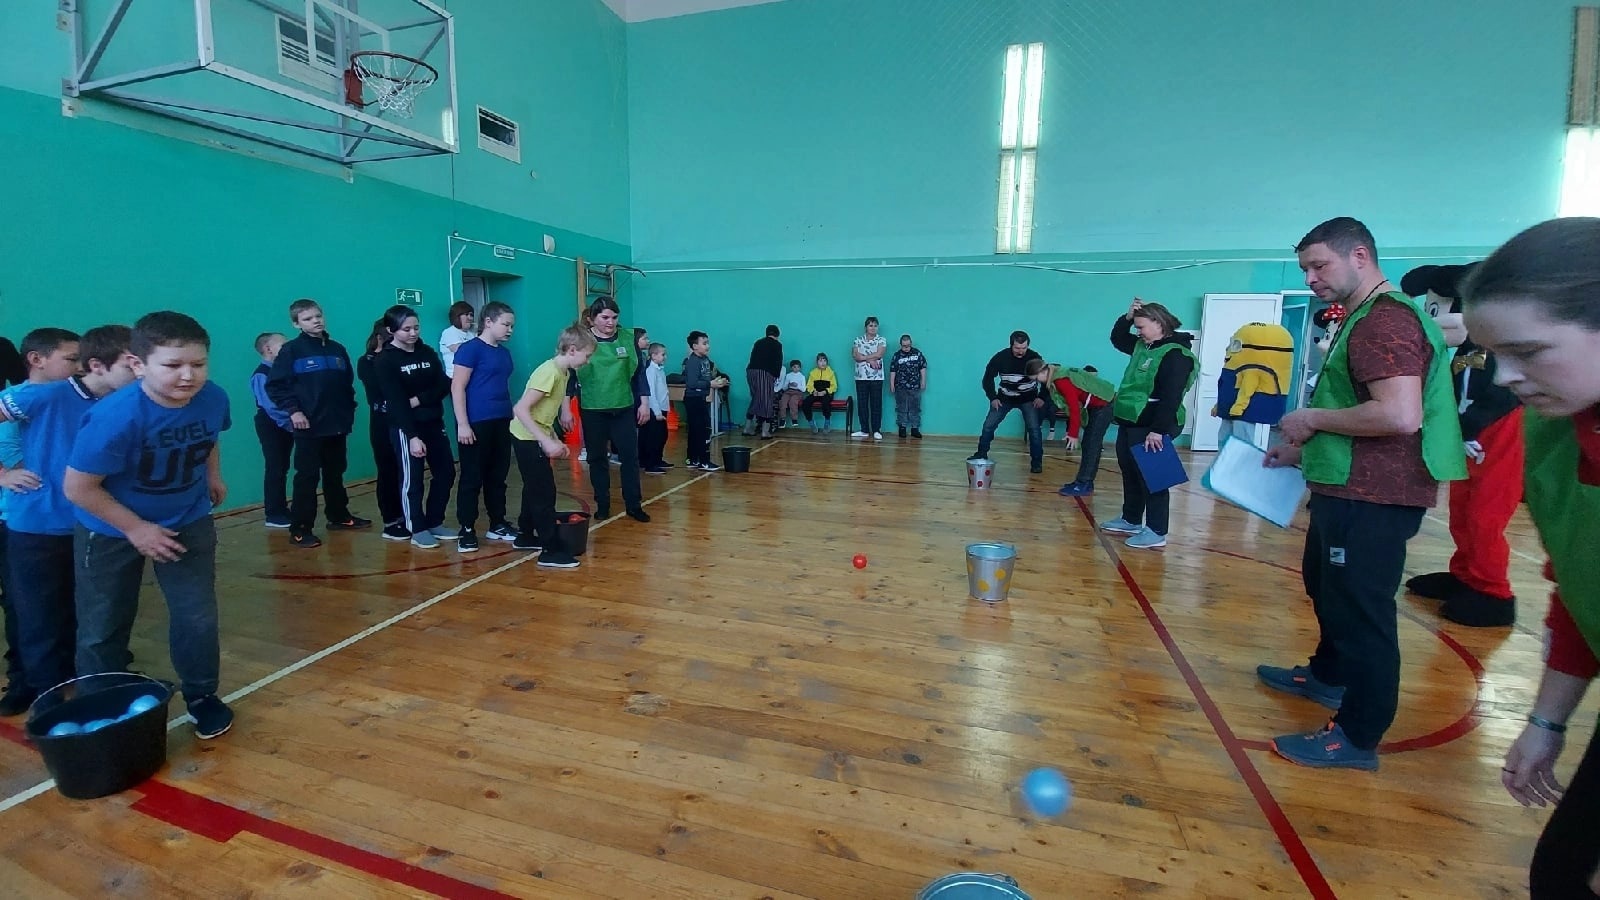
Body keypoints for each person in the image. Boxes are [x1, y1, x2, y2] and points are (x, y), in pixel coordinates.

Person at [1258, 217, 1465, 771]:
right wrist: (1303, 452)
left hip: (1374, 497)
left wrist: (1309, 419)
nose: (1310, 278)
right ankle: (1328, 675)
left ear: (1360, 257)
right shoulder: (1363, 317)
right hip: (1350, 485)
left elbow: (1398, 414)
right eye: (1305, 269)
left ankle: (1356, 735)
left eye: (1319, 266)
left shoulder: (1384, 321)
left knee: (1360, 611)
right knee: (1326, 586)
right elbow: (1363, 411)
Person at [1460, 217, 1600, 897]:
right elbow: (1579, 587)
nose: (1507, 377)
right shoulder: (1552, 433)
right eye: (1494, 355)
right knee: (1559, 875)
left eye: (1530, 352)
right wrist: (1547, 721)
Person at [63, 312, 235, 739]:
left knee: (196, 617)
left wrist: (212, 475)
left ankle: (202, 697)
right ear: (138, 365)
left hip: (187, 520)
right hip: (110, 529)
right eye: (173, 365)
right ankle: (102, 710)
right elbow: (79, 488)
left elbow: (210, 435)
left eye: (198, 364)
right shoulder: (115, 417)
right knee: (103, 625)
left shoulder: (213, 397)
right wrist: (137, 529)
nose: (188, 375)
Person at [0, 325, 137, 715]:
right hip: (39, 526)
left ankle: (93, 678)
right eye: (131, 363)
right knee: (38, 615)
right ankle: (45, 692)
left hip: (96, 524)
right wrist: (2, 475)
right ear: (100, 365)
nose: (139, 370)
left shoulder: (125, 402)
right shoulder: (42, 395)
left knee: (92, 611)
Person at [1401, 263, 1523, 628]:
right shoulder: (1467, 351)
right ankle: (1466, 575)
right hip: (1470, 441)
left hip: (1498, 437)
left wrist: (1469, 427)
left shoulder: (1502, 347)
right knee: (1462, 509)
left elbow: (1502, 395)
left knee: (1486, 516)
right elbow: (1458, 391)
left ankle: (1493, 592)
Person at [0, 329, 74, 716]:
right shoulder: (24, 397)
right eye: (72, 359)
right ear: (37, 360)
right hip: (21, 520)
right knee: (25, 606)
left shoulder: (67, 395)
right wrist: (3, 475)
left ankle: (68, 673)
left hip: (59, 519)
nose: (79, 367)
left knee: (67, 601)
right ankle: (28, 683)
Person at [266, 298, 371, 549]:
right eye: (308, 318)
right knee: (307, 477)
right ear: (296, 324)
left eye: (318, 316)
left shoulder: (337, 349)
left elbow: (346, 384)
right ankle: (300, 529)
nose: (316, 321)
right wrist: (294, 412)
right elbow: (276, 386)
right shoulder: (291, 351)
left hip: (336, 424)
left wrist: (348, 411)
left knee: (335, 473)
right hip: (308, 427)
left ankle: (338, 516)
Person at [1097, 301, 1198, 549]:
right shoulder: (1143, 346)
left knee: (1154, 476)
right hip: (1132, 420)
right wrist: (1127, 317)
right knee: (1130, 470)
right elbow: (1118, 338)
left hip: (1155, 423)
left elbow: (1171, 396)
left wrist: (1158, 430)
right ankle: (1131, 519)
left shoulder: (1176, 355)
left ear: (1158, 323)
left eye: (1141, 326)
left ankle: (1156, 530)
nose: (1138, 331)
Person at [508, 325, 592, 569]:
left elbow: (543, 413)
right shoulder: (549, 373)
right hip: (526, 439)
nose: (587, 361)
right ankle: (549, 550)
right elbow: (521, 409)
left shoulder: (564, 373)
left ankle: (525, 535)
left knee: (533, 488)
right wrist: (544, 441)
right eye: (586, 355)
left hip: (535, 436)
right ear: (572, 350)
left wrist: (553, 437)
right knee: (544, 493)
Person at [375, 306, 455, 550]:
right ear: (391, 330)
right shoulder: (385, 360)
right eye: (406, 329)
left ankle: (434, 521)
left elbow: (443, 385)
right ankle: (417, 528)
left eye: (416, 328)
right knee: (413, 479)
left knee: (446, 472)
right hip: (407, 428)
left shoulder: (426, 352)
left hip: (433, 422)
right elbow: (396, 401)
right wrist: (412, 436)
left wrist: (419, 399)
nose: (413, 333)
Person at [576, 298, 651, 521]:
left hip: (623, 407)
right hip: (593, 408)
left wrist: (644, 402)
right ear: (592, 319)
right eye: (605, 317)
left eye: (614, 317)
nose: (610, 322)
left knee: (630, 457)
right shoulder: (581, 340)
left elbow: (639, 373)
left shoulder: (628, 338)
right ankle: (603, 504)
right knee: (597, 458)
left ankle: (634, 505)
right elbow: (569, 374)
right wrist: (565, 408)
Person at [450, 301, 517, 551]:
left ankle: (497, 523)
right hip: (476, 422)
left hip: (502, 420)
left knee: (497, 476)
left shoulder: (504, 353)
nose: (510, 330)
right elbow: (457, 387)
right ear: (488, 322)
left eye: (512, 326)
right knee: (472, 477)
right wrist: (463, 424)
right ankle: (466, 529)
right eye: (506, 324)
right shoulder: (470, 350)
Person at [969, 331, 1045, 473]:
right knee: (988, 426)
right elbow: (987, 379)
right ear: (1011, 345)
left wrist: (1042, 397)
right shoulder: (1000, 357)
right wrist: (993, 397)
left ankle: (1036, 462)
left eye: (1024, 348)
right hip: (1005, 398)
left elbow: (1046, 379)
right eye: (1017, 348)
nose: (1021, 351)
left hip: (1029, 399)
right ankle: (981, 454)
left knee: (1034, 430)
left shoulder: (1035, 358)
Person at [356, 319, 404, 534]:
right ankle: (391, 519)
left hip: (404, 419)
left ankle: (408, 514)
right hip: (382, 421)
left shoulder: (401, 357)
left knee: (405, 470)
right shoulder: (367, 362)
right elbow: (383, 388)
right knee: (387, 469)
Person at [1215, 322, 1295, 445]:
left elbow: (1247, 389)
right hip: (1232, 410)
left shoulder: (1250, 370)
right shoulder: (1238, 367)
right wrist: (1219, 406)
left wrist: (1238, 408)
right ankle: (1225, 456)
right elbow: (1228, 390)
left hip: (1242, 412)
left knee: (1240, 438)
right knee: (1226, 436)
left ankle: (1237, 457)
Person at [249, 332, 294, 529]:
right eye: (282, 345)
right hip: (271, 424)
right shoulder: (262, 374)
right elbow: (272, 407)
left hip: (284, 424)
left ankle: (282, 508)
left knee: (282, 466)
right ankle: (274, 513)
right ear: (268, 349)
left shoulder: (281, 371)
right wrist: (291, 422)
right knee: (275, 467)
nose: (287, 348)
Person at [1054, 364, 1117, 496]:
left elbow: (1074, 408)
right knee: (1089, 443)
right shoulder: (1066, 377)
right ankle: (1084, 482)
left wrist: (1073, 434)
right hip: (1099, 407)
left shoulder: (1062, 380)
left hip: (1104, 407)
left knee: (1091, 444)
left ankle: (1084, 483)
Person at [682, 331, 725, 471]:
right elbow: (692, 383)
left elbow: (705, 378)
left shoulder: (705, 359)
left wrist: (717, 381)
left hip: (701, 398)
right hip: (693, 400)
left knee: (697, 430)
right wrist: (710, 384)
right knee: (701, 431)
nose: (708, 346)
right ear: (695, 346)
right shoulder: (692, 361)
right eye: (704, 343)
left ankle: (693, 459)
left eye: (708, 343)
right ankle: (703, 461)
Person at [744, 325, 783, 439]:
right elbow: (778, 362)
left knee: (755, 399)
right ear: (777, 335)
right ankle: (765, 432)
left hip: (751, 371)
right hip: (764, 373)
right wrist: (775, 375)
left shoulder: (758, 342)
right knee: (767, 401)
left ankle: (747, 428)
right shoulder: (776, 344)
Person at [851, 317, 887, 440]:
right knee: (862, 404)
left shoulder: (881, 340)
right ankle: (864, 430)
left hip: (877, 377)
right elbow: (856, 355)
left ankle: (876, 430)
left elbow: (879, 354)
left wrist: (865, 358)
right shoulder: (858, 340)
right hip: (861, 376)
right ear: (866, 327)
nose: (873, 328)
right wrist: (871, 360)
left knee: (876, 404)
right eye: (870, 325)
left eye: (875, 325)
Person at [889, 334, 928, 440]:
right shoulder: (897, 355)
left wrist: (923, 381)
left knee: (915, 407)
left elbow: (923, 367)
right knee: (902, 407)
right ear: (900, 345)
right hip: (900, 386)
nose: (906, 348)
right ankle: (902, 427)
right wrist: (891, 384)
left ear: (911, 344)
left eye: (908, 345)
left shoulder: (917, 353)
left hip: (915, 386)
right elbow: (893, 370)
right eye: (904, 346)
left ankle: (915, 428)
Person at [639, 342, 671, 474]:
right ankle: (650, 463)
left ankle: (658, 459)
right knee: (654, 437)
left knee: (662, 436)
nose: (665, 357)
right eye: (663, 354)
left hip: (662, 407)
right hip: (654, 410)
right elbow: (651, 393)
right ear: (653, 355)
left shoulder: (659, 369)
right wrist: (657, 412)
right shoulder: (651, 371)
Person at [802, 353, 839, 434]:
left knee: (825, 403)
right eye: (820, 361)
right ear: (817, 362)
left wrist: (825, 391)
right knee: (805, 403)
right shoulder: (813, 373)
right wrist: (813, 391)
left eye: (824, 361)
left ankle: (827, 423)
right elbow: (809, 385)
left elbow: (834, 386)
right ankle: (811, 422)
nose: (823, 363)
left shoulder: (831, 373)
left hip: (826, 393)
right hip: (816, 393)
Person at [438, 301, 475, 378]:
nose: (470, 318)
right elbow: (461, 350)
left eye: (471, 315)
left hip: (471, 376)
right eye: (466, 314)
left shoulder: (471, 334)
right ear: (457, 316)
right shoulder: (449, 332)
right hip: (454, 377)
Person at [775, 360, 806, 429]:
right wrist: (789, 384)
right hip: (788, 391)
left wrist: (797, 386)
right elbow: (784, 388)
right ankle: (782, 419)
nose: (796, 368)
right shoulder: (788, 376)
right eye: (794, 367)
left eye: (798, 367)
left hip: (797, 392)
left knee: (793, 401)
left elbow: (804, 389)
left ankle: (794, 419)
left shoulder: (802, 376)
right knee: (783, 401)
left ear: (800, 368)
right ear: (791, 368)